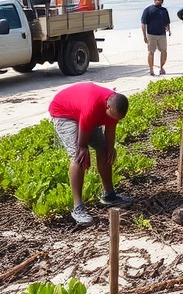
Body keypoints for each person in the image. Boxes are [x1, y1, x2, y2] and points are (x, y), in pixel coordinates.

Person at [49, 82, 132, 226]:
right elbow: (83, 141)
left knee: (105, 150)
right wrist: (83, 148)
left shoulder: (113, 109)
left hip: (82, 112)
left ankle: (109, 195)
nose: (116, 120)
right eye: (115, 117)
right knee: (79, 156)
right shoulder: (92, 107)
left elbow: (110, 128)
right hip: (64, 113)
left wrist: (110, 148)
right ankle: (78, 207)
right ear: (108, 107)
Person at [141, 0, 170, 76]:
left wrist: (168, 29)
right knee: (151, 52)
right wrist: (144, 36)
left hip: (162, 34)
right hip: (151, 34)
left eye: (160, 0)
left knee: (164, 51)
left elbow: (167, 22)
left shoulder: (164, 10)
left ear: (162, 1)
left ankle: (161, 67)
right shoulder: (148, 10)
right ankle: (151, 69)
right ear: (154, 0)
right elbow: (143, 23)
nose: (158, 1)